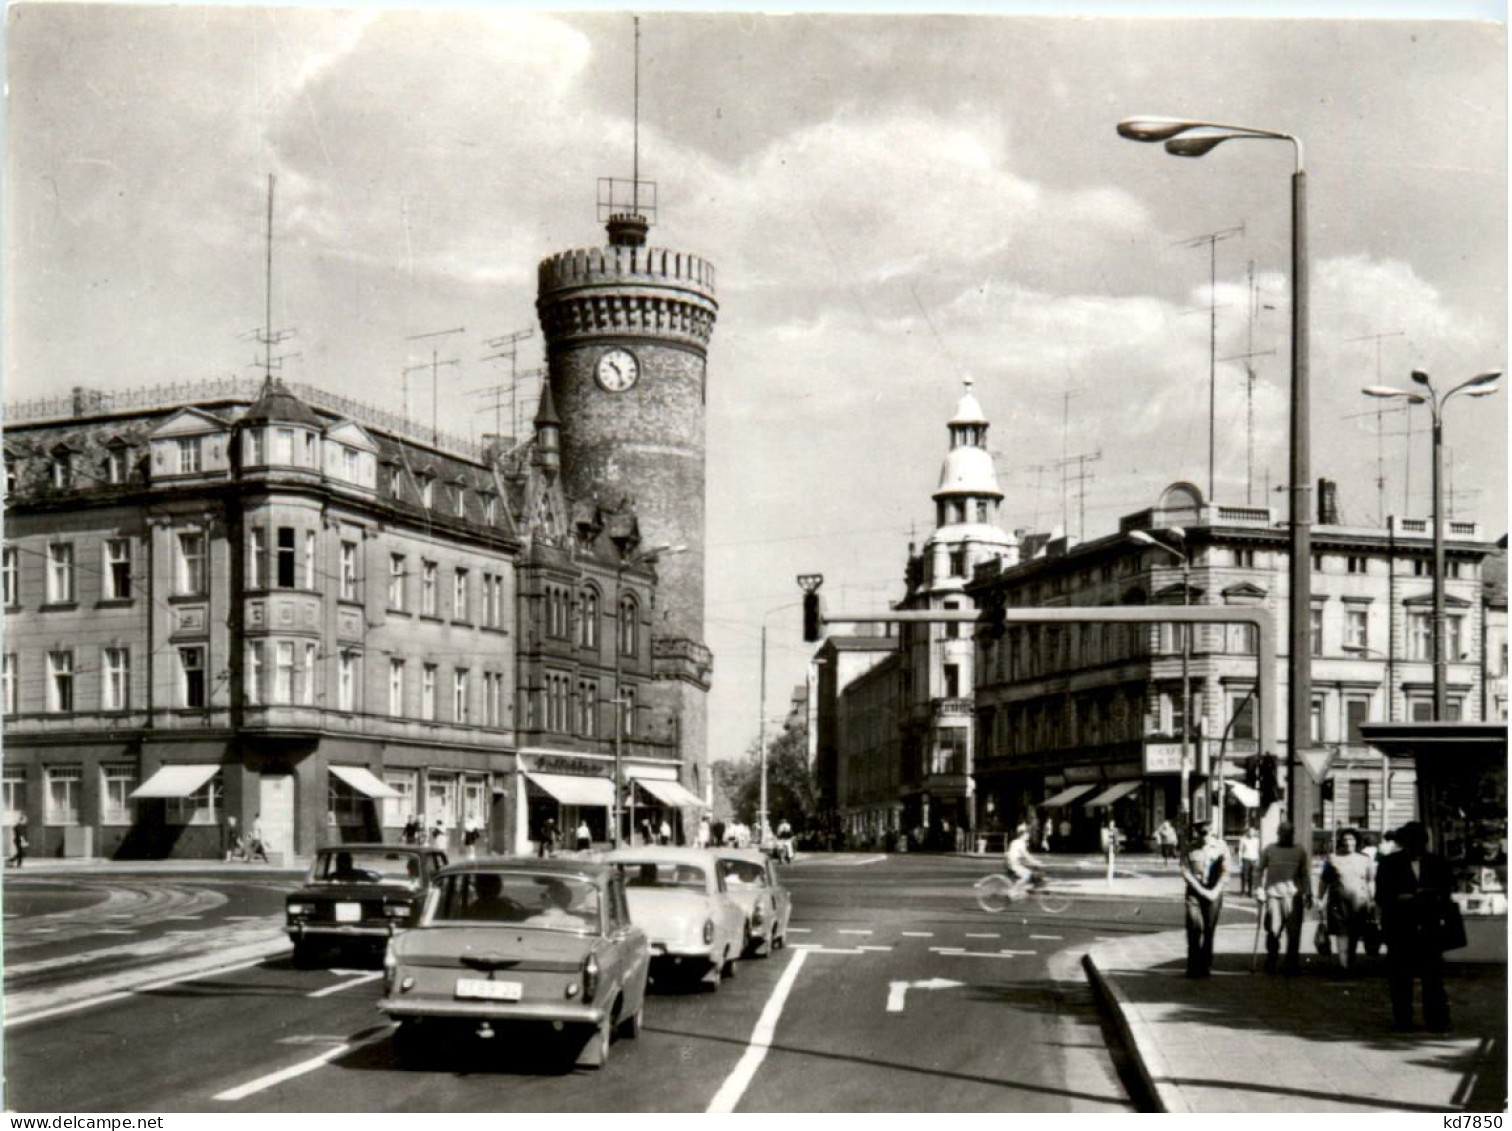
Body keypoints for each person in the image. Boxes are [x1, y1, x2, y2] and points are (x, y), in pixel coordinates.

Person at [1375, 821, 1456, 1032]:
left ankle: (1436, 1020)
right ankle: (1403, 1020)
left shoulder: (1437, 863)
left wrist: (1430, 898)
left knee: (1433, 975)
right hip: (1400, 927)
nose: (1415, 849)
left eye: (1418, 844)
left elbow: (1446, 894)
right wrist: (1402, 899)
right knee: (1401, 976)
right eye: (1410, 844)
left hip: (1429, 927)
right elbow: (1381, 896)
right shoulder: (1389, 863)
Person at [1255, 821, 1312, 973]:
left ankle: (1291, 964)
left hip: (1294, 897)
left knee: (1294, 933)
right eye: (1283, 832)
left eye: (1289, 832)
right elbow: (1259, 870)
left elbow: (1304, 873)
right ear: (1278, 833)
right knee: (1273, 931)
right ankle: (1272, 959)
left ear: (1293, 834)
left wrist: (1309, 892)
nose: (1286, 835)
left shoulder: (1300, 850)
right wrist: (1259, 889)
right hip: (1273, 896)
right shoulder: (1269, 849)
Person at [1319, 827, 1376, 973]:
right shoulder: (1333, 858)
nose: (1348, 842)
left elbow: (1370, 880)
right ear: (1341, 842)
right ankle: (1343, 965)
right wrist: (1319, 898)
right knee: (1341, 933)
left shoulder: (1365, 859)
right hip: (1338, 902)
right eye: (1345, 840)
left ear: (1357, 841)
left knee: (1355, 934)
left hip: (1359, 903)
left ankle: (1350, 961)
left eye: (1351, 839)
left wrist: (1372, 899)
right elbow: (1324, 880)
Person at [1180, 819, 1230, 977]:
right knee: (1194, 927)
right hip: (1195, 893)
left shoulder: (1221, 847)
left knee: (1209, 930)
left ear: (1211, 831)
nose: (1203, 837)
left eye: (1206, 833)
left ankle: (1205, 965)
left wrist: (1215, 891)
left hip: (1214, 892)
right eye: (1200, 833)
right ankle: (1193, 966)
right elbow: (1185, 871)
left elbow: (1226, 872)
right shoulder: (1189, 848)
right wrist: (1200, 890)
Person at [1004, 823, 1043, 897]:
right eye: (1027, 833)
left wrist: (1033, 862)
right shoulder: (1020, 843)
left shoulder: (1015, 841)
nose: (1028, 835)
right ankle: (1012, 891)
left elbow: (1024, 856)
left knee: (1029, 873)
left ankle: (1022, 890)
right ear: (1023, 834)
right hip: (1013, 864)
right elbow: (1026, 855)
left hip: (1012, 863)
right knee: (1026, 876)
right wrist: (1035, 862)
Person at [1238, 825, 1262, 896]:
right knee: (1244, 876)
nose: (1251, 833)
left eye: (1252, 832)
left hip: (1254, 859)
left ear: (1254, 832)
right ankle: (1242, 891)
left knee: (1252, 876)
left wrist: (1258, 860)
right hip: (1246, 858)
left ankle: (1250, 892)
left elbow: (1258, 850)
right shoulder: (1243, 839)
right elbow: (1240, 850)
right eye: (1250, 831)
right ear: (1247, 832)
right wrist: (1240, 861)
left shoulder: (1257, 840)